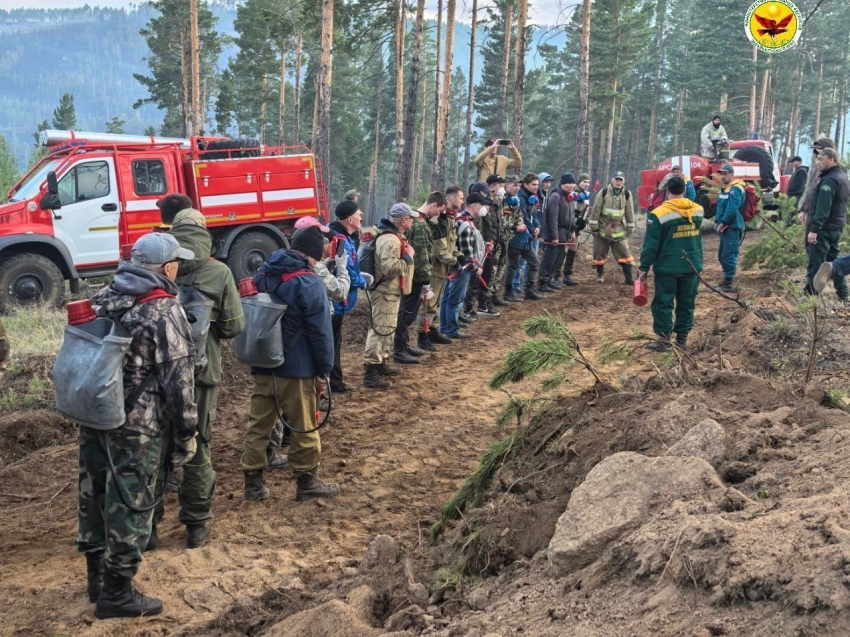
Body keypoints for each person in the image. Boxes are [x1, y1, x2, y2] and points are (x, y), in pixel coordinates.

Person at [80, 232, 198, 619]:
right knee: (132, 505)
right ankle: (116, 593)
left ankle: (97, 579)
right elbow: (179, 379)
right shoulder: (164, 309)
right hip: (139, 427)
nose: (179, 266)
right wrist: (187, 432)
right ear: (167, 268)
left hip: (96, 416)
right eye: (177, 261)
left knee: (96, 495)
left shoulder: (103, 298)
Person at [149, 207, 244, 551]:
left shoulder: (158, 266)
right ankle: (196, 526)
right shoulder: (217, 271)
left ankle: (148, 529)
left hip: (156, 375)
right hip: (201, 375)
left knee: (156, 449)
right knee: (197, 446)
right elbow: (234, 326)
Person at [241, 227, 338, 502]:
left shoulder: (263, 273)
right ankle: (306, 483)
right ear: (314, 253)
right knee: (304, 425)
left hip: (263, 364)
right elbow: (321, 332)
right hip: (298, 369)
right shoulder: (309, 282)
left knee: (259, 426)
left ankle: (253, 486)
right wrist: (323, 371)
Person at [638, 176, 705, 351]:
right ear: (684, 190)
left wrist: (643, 267)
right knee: (687, 302)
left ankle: (664, 340)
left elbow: (651, 245)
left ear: (667, 191)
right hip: (692, 265)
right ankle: (682, 340)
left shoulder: (658, 214)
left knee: (663, 302)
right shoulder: (698, 210)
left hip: (667, 267)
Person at [362, 203, 416, 388]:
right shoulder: (390, 240)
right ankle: (370, 372)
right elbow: (390, 269)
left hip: (390, 291)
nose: (412, 221)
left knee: (386, 329)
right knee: (379, 330)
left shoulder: (394, 237)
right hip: (385, 291)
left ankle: (381, 363)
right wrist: (408, 257)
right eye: (411, 218)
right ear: (403, 220)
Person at [394, 192, 446, 362]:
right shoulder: (420, 225)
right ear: (433, 206)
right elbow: (421, 256)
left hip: (415, 276)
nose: (439, 213)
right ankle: (399, 350)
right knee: (407, 314)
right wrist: (425, 281)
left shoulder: (422, 222)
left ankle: (404, 345)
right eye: (440, 210)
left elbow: (438, 234)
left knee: (408, 313)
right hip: (415, 277)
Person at [328, 201, 370, 393]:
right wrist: (362, 281)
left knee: (334, 342)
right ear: (350, 218)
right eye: (359, 214)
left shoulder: (342, 236)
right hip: (335, 303)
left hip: (338, 302)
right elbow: (345, 269)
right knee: (331, 344)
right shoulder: (340, 240)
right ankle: (334, 384)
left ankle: (335, 382)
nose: (362, 217)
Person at [801, 147, 850, 303]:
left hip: (824, 229)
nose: (818, 163)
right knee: (834, 263)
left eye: (821, 159)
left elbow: (823, 209)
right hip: (837, 227)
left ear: (831, 159)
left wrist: (815, 230)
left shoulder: (829, 180)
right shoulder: (843, 176)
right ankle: (843, 293)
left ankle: (810, 297)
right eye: (817, 160)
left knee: (817, 262)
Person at [440, 193, 487, 339]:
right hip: (461, 269)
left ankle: (444, 327)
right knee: (455, 299)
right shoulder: (465, 224)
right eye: (483, 205)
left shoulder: (462, 220)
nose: (485, 208)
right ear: (474, 206)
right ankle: (452, 330)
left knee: (447, 297)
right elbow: (466, 252)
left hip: (455, 266)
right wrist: (475, 268)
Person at [423, 187, 463, 345]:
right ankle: (423, 335)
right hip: (434, 269)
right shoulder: (438, 219)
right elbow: (440, 250)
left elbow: (451, 245)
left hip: (442, 270)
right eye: (461, 198)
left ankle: (432, 330)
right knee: (428, 304)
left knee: (436, 302)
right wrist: (455, 262)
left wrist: (459, 257)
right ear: (451, 199)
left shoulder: (449, 218)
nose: (463, 201)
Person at [589, 171, 636, 285]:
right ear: (612, 180)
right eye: (617, 179)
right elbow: (595, 211)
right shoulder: (603, 192)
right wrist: (594, 228)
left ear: (623, 181)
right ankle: (600, 276)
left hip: (619, 229)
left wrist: (630, 228)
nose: (618, 182)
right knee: (599, 254)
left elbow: (630, 213)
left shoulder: (627, 194)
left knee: (625, 253)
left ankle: (629, 279)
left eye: (621, 180)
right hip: (602, 229)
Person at [503, 174, 542, 302]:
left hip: (525, 238)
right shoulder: (510, 199)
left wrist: (537, 227)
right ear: (507, 185)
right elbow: (522, 217)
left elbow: (531, 215)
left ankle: (529, 290)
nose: (517, 188)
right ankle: (508, 292)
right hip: (515, 238)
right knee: (513, 265)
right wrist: (528, 230)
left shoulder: (523, 198)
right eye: (515, 185)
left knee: (534, 262)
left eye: (518, 185)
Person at [540, 173, 577, 291]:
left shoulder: (569, 197)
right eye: (568, 183)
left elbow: (572, 217)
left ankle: (551, 279)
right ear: (562, 184)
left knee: (559, 258)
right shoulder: (555, 196)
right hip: (555, 233)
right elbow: (552, 218)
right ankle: (543, 281)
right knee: (549, 258)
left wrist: (572, 231)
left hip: (565, 233)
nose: (571, 186)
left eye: (573, 183)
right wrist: (554, 236)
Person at [713, 164, 746, 293]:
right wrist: (717, 221)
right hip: (725, 226)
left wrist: (723, 222)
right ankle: (726, 278)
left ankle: (729, 282)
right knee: (722, 255)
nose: (722, 176)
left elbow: (732, 208)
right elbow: (720, 207)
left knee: (729, 255)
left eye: (725, 174)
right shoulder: (725, 188)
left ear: (732, 174)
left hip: (732, 226)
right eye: (721, 174)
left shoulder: (736, 188)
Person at [561, 173, 591, 286]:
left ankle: (567, 275)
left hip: (577, 226)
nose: (586, 184)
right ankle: (555, 275)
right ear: (579, 182)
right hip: (568, 224)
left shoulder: (586, 195)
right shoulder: (573, 193)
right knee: (562, 250)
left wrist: (584, 221)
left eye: (588, 182)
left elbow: (586, 210)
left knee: (572, 250)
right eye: (584, 182)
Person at [797, 138, 837, 217]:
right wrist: (803, 209)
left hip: (827, 218)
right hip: (812, 214)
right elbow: (811, 190)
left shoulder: (837, 170)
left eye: (819, 150)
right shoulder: (816, 168)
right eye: (815, 151)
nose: (816, 153)